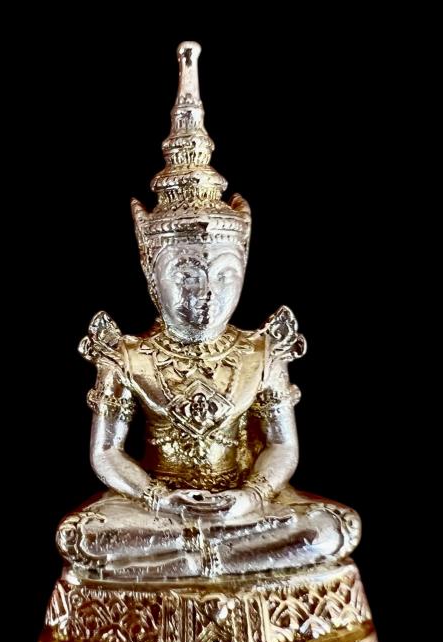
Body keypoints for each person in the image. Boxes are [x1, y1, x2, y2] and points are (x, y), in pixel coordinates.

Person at [56, 43, 360, 580]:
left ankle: (194, 555)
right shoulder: (128, 357)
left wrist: (253, 497)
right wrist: (159, 499)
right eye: (186, 276)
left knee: (332, 528)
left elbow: (282, 446)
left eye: (223, 276)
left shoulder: (260, 352)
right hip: (159, 507)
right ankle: (212, 552)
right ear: (152, 273)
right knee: (82, 536)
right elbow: (106, 454)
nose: (205, 296)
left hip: (244, 506)